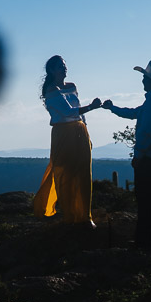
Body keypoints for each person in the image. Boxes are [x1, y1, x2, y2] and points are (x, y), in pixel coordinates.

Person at [102, 60, 151, 251]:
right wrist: (113, 108)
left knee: (147, 201)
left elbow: (147, 131)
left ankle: (145, 242)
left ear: (150, 80)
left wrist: (139, 155)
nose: (142, 80)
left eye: (144, 77)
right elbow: (136, 113)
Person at [32, 55, 102, 228]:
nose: (65, 68)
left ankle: (84, 216)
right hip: (63, 134)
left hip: (79, 132)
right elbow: (67, 111)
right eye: (60, 66)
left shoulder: (72, 86)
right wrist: (91, 106)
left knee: (83, 173)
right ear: (51, 70)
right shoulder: (51, 90)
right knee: (66, 174)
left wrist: (86, 130)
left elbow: (78, 113)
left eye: (64, 65)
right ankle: (70, 216)